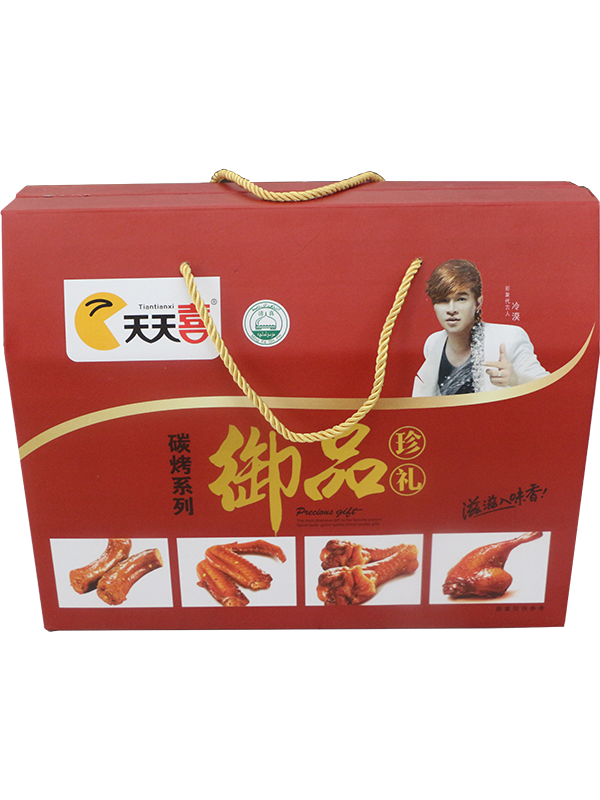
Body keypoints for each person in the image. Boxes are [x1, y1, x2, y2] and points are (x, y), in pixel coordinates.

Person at [412, 259, 549, 397]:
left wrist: (516, 379)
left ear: (478, 303)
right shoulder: (433, 343)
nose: (451, 310)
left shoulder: (510, 338)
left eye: (461, 299)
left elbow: (549, 388)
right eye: (443, 301)